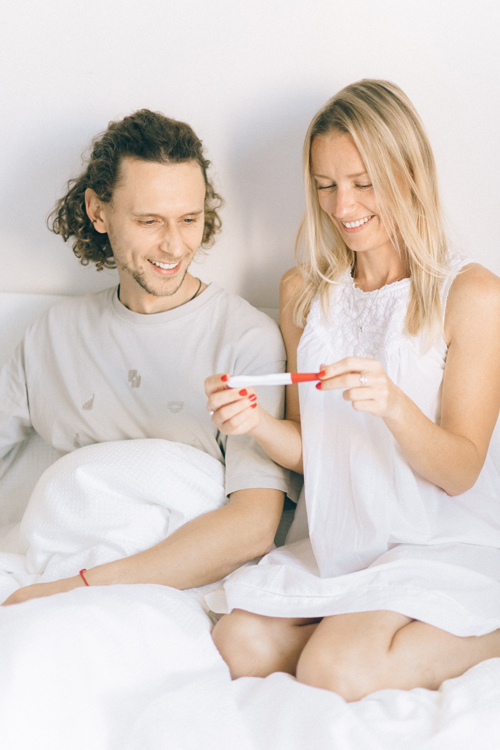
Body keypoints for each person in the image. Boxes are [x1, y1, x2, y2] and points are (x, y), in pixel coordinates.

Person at [205, 79, 500, 700]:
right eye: (326, 185)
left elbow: (462, 470)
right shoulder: (303, 293)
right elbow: (313, 452)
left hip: (433, 538)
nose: (343, 206)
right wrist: (255, 424)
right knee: (239, 642)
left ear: (409, 175)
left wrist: (393, 406)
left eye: (364, 183)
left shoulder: (470, 295)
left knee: (334, 669)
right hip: (343, 542)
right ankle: (362, 631)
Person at [1, 109, 290, 606]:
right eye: (149, 221)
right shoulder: (51, 337)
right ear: (98, 212)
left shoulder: (244, 340)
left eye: (189, 220)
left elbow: (253, 528)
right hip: (50, 565)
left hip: (162, 590)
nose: (174, 245)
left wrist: (76, 589)